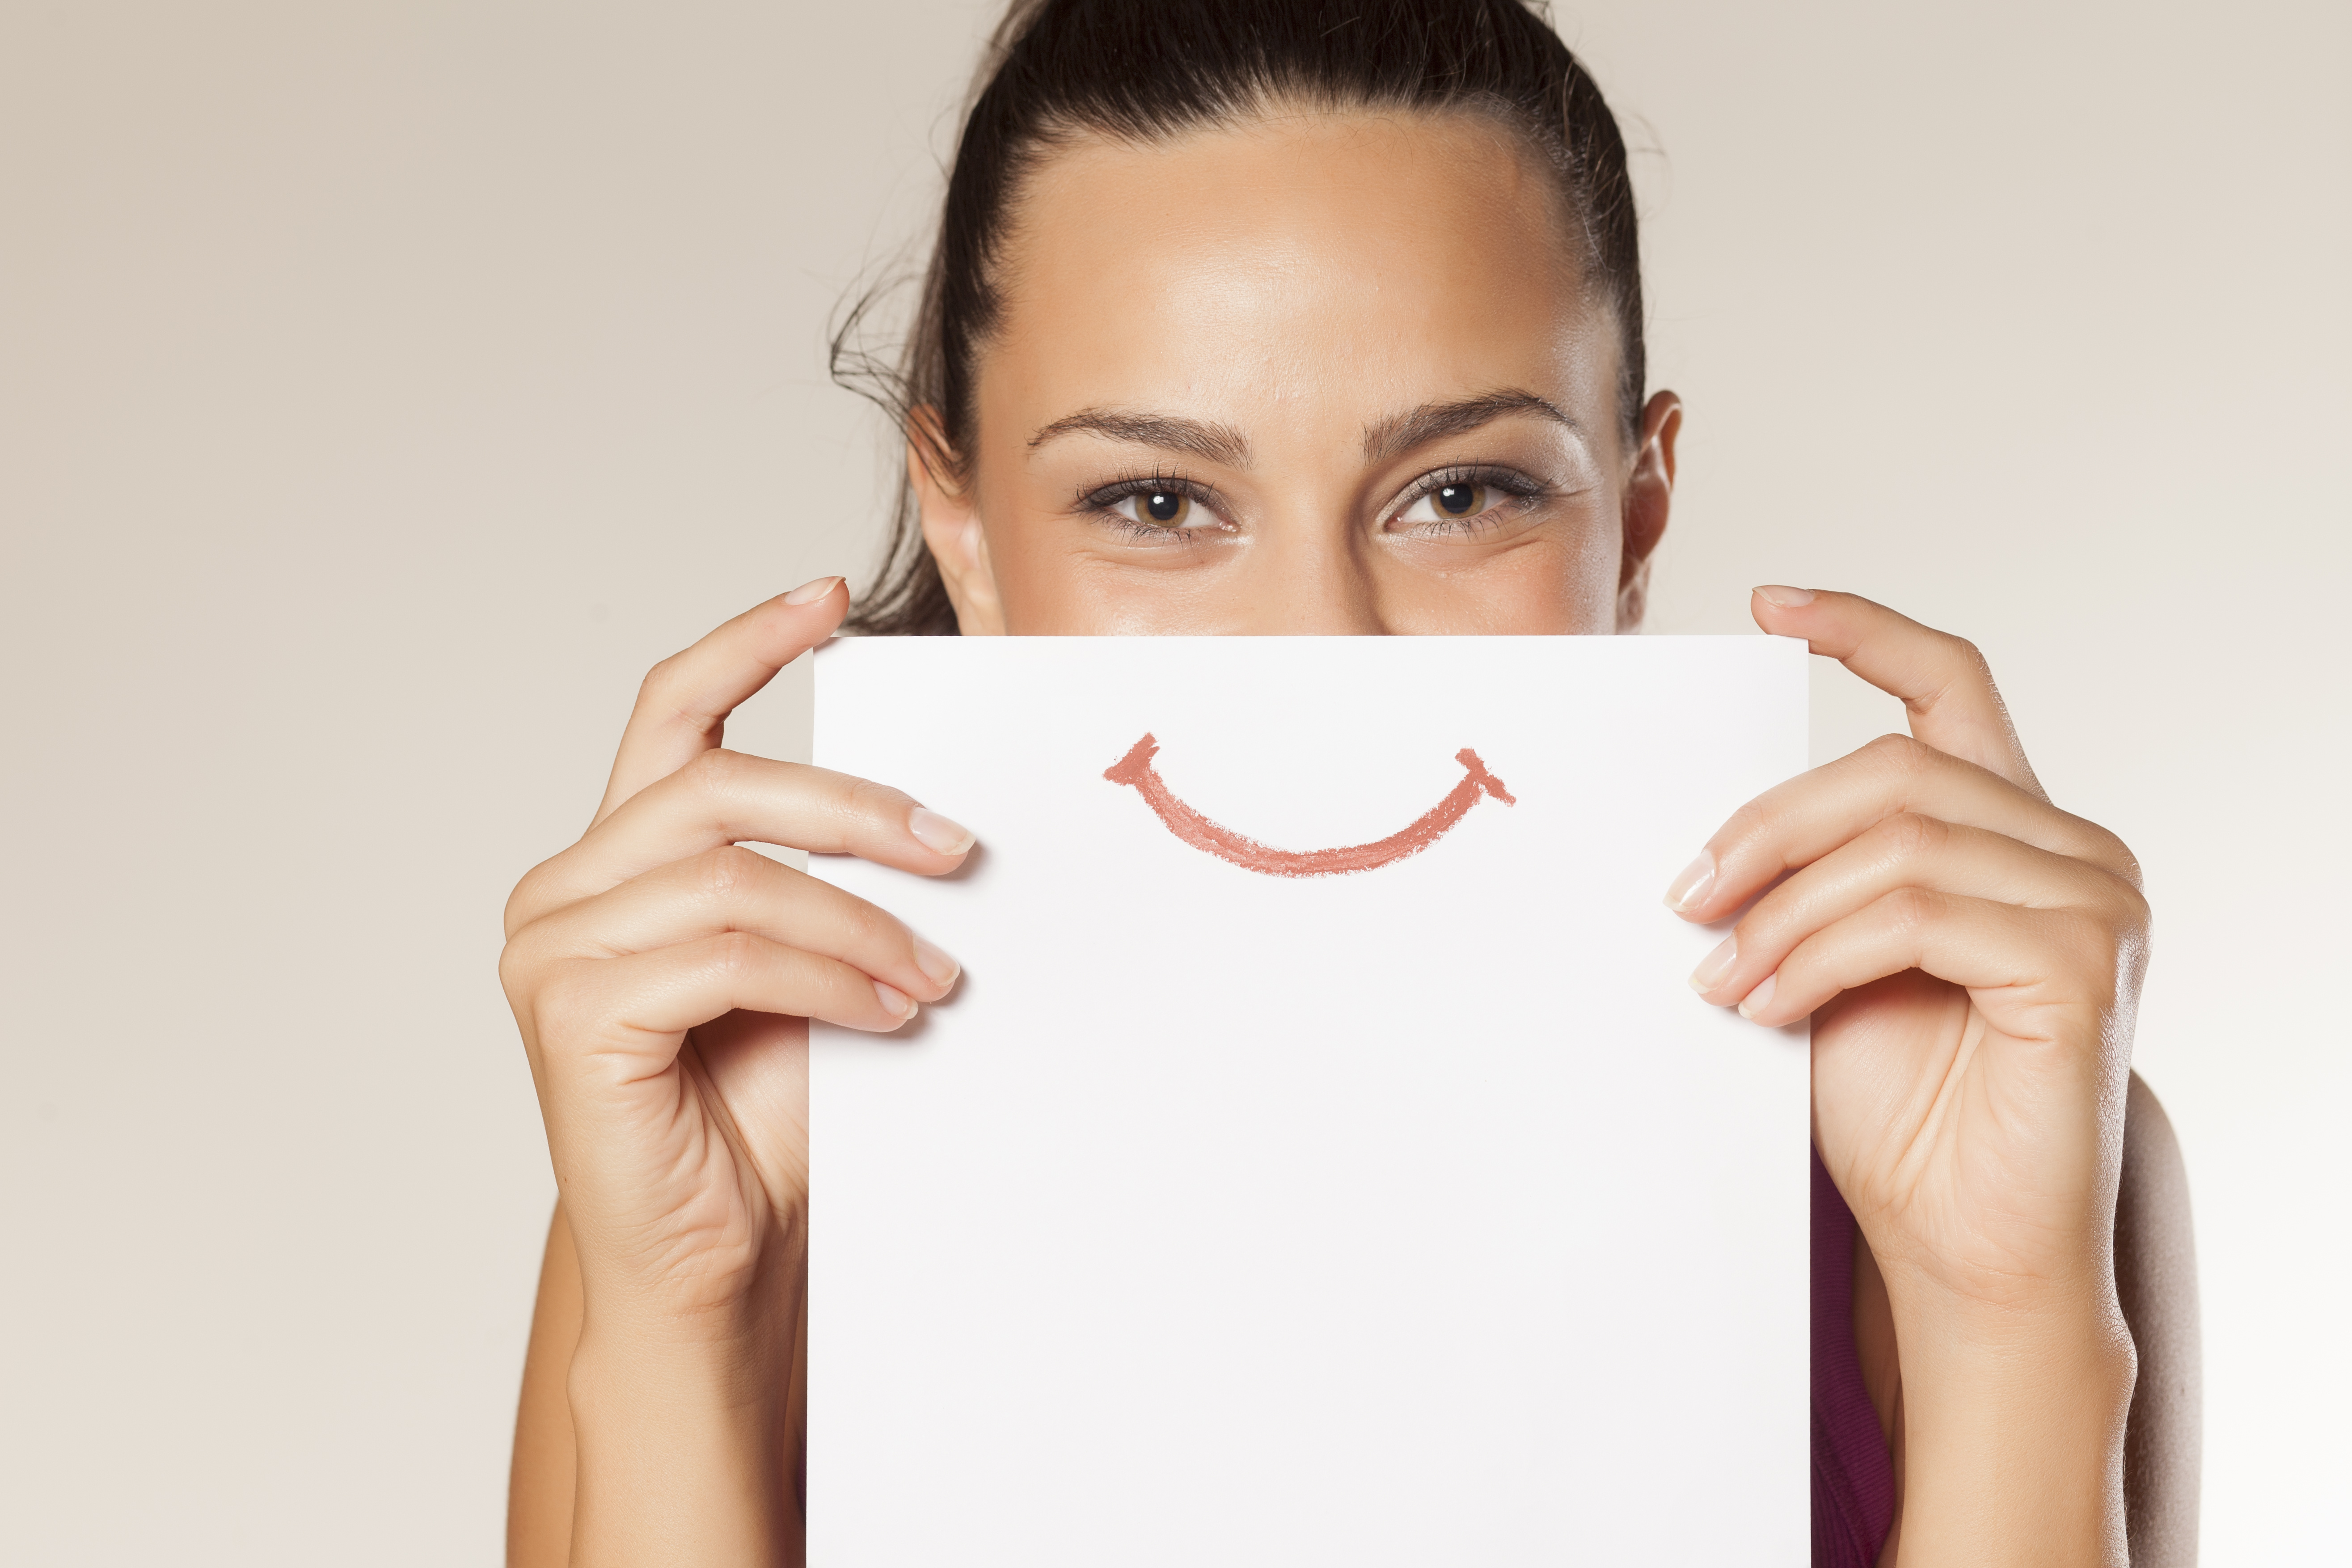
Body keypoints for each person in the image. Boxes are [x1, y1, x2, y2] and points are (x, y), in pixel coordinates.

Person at [498, 2, 2198, 1562]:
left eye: (1460, 494)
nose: (1320, 646)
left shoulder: (1962, 1127)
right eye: (1156, 503)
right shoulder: (744, 1155)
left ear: (1637, 518)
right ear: (968, 530)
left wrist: (2005, 1312)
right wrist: (682, 1310)